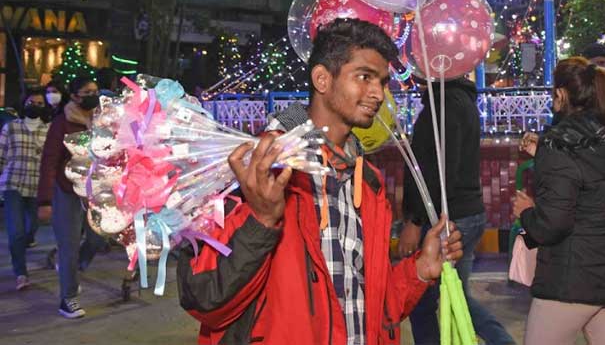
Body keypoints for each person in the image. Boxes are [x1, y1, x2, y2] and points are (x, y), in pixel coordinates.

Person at [177, 18, 463, 344]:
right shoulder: (257, 167)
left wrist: (420, 270)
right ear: (322, 79)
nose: (378, 94)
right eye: (364, 77)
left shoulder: (369, 184)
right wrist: (262, 219)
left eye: (382, 82)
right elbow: (204, 297)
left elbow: (371, 308)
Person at [514, 57, 605, 345]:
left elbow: (552, 225)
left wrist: (527, 213)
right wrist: (543, 154)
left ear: (561, 94)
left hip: (571, 284)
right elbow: (589, 182)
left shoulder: (559, 145)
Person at [398, 77, 515, 345]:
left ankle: (501, 340)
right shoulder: (459, 100)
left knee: (441, 295)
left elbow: (440, 171)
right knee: (438, 295)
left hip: (446, 217)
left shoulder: (445, 104)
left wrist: (415, 221)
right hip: (461, 212)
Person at [37, 76, 107, 318]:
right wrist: (45, 200)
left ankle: (73, 270)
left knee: (99, 238)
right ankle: (68, 299)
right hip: (66, 192)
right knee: (68, 245)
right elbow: (49, 162)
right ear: (75, 96)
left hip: (95, 191)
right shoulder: (62, 123)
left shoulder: (102, 121)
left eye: (95, 91)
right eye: (87, 92)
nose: (93, 95)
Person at [1, 88, 52, 290]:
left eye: (40, 103)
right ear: (24, 103)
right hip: (12, 184)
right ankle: (21, 273)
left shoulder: (49, 130)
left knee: (32, 227)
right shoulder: (11, 127)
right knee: (16, 231)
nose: (35, 106)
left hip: (37, 187)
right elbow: (1, 154)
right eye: (32, 102)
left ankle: (28, 240)